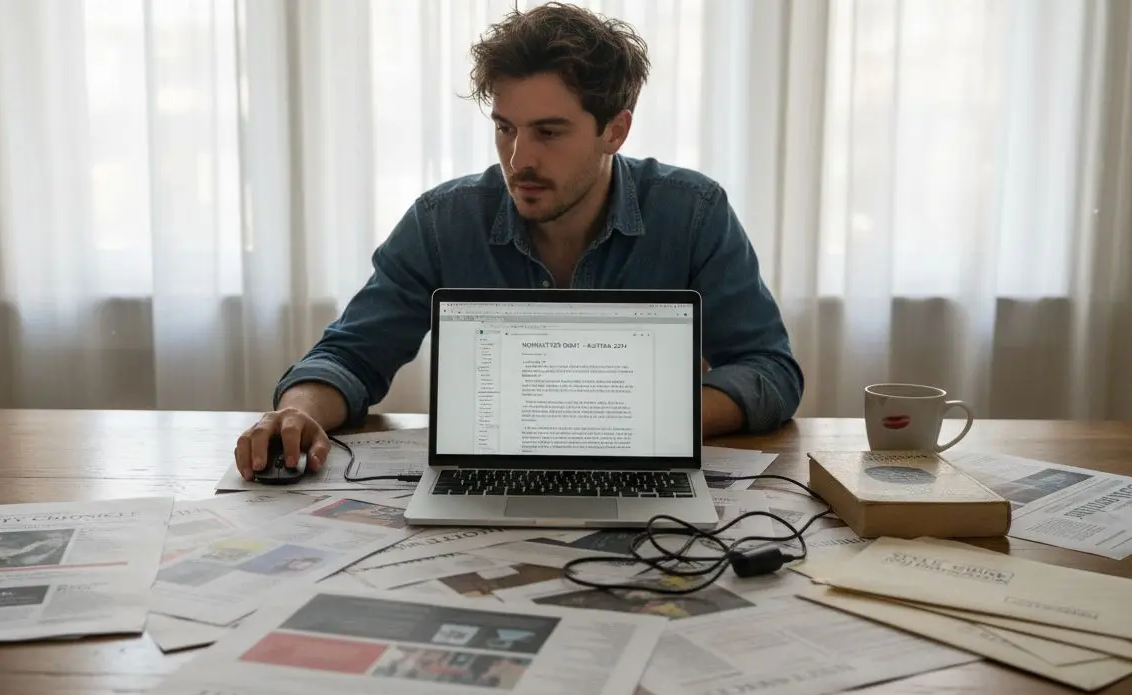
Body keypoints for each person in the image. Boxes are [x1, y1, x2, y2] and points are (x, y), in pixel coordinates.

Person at [235, 1, 804, 481]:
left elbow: (770, 370)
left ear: (616, 129)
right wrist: (294, 411)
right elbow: (350, 355)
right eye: (505, 127)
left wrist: (639, 418)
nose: (519, 160)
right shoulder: (442, 220)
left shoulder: (693, 211)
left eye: (549, 133)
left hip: (642, 491)